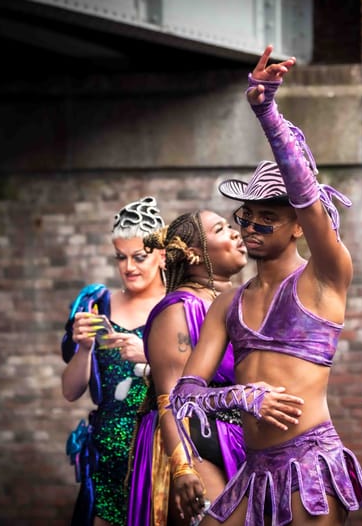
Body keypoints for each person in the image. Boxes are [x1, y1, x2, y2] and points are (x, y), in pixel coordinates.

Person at [167, 44, 362, 526]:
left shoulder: (326, 276)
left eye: (269, 218)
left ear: (298, 225)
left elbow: (305, 194)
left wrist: (266, 112)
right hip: (253, 472)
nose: (252, 227)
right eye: (247, 216)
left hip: (309, 467)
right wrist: (243, 397)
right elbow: (184, 396)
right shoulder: (228, 303)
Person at [126, 209, 249, 526]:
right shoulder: (179, 309)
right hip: (191, 442)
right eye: (221, 228)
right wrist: (183, 467)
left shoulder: (235, 302)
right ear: (194, 254)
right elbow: (170, 398)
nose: (236, 232)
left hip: (234, 437)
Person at [61, 196, 167, 526]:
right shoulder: (98, 303)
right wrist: (84, 349)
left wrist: (149, 357)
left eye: (139, 257)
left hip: (158, 448)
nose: (128, 267)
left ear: (162, 255)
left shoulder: (179, 306)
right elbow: (70, 392)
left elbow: (197, 381)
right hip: (107, 453)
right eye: (121, 257)